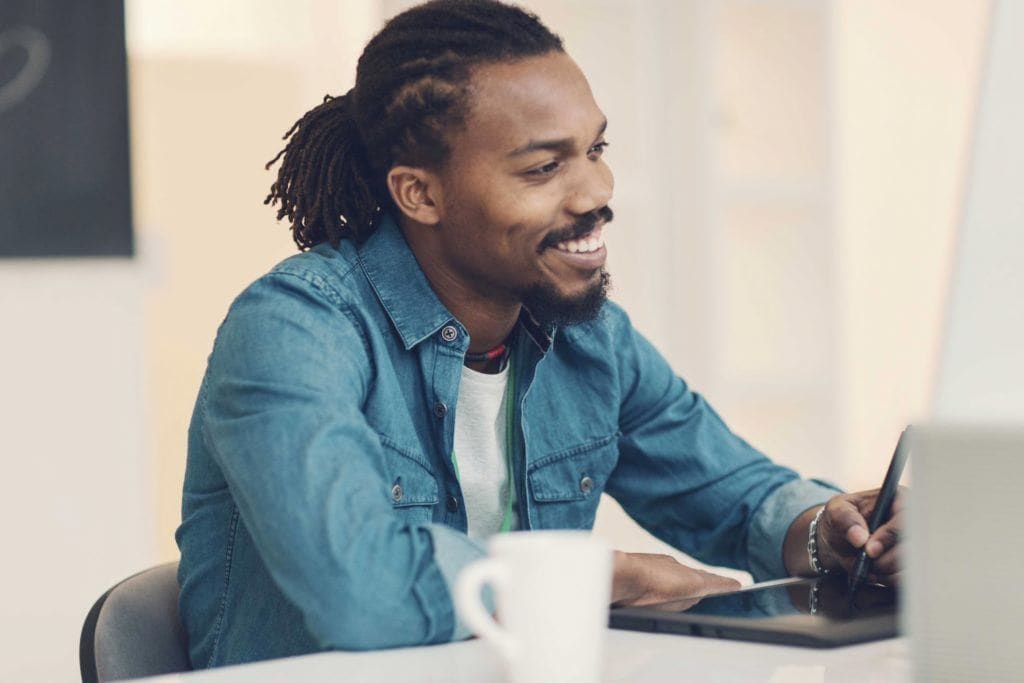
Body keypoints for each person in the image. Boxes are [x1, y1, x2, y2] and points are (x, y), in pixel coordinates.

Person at [176, 0, 902, 668]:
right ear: (420, 193)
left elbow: (734, 494)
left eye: (595, 149)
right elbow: (361, 590)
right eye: (544, 167)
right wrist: (593, 581)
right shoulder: (292, 328)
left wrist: (828, 530)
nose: (594, 191)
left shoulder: (588, 339)